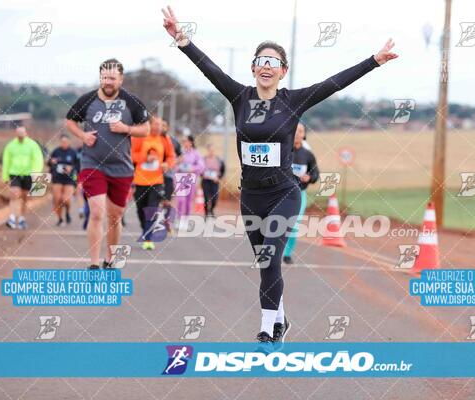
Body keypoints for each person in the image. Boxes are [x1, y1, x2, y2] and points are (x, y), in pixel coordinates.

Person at [161, 5, 398, 346]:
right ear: (254, 67)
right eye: (262, 61)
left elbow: (335, 82)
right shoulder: (239, 96)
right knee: (265, 263)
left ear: (283, 71)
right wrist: (180, 37)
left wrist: (374, 60)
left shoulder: (293, 101)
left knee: (272, 254)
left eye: (274, 62)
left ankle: (266, 328)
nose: (267, 67)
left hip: (284, 193)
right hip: (251, 195)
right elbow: (208, 68)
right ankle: (281, 320)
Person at [65, 58, 150, 270]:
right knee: (96, 212)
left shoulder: (131, 102)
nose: (107, 82)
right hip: (92, 163)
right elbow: (69, 121)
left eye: (112, 78)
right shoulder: (87, 100)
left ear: (121, 79)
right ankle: (93, 263)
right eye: (104, 77)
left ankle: (110, 259)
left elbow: (146, 129)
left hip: (121, 167)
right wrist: (82, 136)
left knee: (115, 216)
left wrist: (125, 129)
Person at [131, 116, 175, 250]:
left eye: (160, 125)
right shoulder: (140, 137)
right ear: (149, 125)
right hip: (140, 180)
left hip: (157, 181)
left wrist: (167, 164)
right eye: (155, 124)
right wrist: (145, 158)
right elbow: (131, 154)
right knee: (140, 209)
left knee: (152, 209)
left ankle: (148, 238)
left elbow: (171, 156)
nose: (158, 127)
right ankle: (145, 228)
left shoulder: (164, 139)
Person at [283, 123, 318, 264]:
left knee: (294, 225)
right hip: (281, 193)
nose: (298, 133)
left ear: (304, 135)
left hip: (299, 194)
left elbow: (315, 173)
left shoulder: (308, 155)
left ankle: (287, 254)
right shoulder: (283, 151)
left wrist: (309, 177)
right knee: (276, 222)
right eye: (295, 130)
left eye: (301, 131)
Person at [1, 126, 44, 230]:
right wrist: (5, 177)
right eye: (19, 134)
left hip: (28, 174)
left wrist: (37, 175)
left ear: (26, 133)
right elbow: (6, 161)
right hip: (15, 173)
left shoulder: (32, 145)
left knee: (25, 197)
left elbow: (38, 160)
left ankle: (21, 218)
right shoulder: (10, 146)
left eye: (22, 133)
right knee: (15, 194)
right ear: (16, 134)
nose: (20, 135)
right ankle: (12, 217)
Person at [48, 134, 79, 226]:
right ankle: (60, 218)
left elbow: (78, 165)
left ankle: (68, 213)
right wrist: (51, 162)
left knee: (66, 199)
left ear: (69, 142)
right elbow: (49, 163)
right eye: (62, 142)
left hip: (69, 178)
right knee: (57, 199)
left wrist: (71, 168)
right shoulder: (56, 151)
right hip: (57, 177)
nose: (64, 143)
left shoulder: (73, 152)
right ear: (60, 142)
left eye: (65, 141)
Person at [174, 135, 204, 227]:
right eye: (183, 141)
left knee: (188, 200)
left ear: (191, 142)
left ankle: (185, 220)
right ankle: (179, 218)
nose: (184, 143)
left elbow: (201, 166)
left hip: (190, 178)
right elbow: (173, 163)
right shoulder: (180, 153)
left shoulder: (196, 153)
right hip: (180, 178)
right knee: (180, 199)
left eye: (186, 141)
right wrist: (178, 163)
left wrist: (192, 168)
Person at [161, 121, 181, 231]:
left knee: (167, 200)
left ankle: (166, 220)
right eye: (161, 125)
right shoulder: (153, 139)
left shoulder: (173, 141)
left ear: (167, 127)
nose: (162, 127)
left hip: (168, 175)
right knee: (154, 199)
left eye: (164, 125)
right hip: (155, 176)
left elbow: (180, 156)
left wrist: (172, 163)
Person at [201, 143, 225, 218]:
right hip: (206, 181)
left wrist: (219, 177)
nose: (211, 152)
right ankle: (206, 213)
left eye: (212, 150)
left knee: (215, 198)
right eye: (210, 150)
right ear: (207, 150)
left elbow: (223, 170)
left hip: (215, 181)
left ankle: (211, 210)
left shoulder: (219, 160)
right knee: (206, 197)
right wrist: (203, 175)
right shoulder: (203, 160)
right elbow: (200, 170)